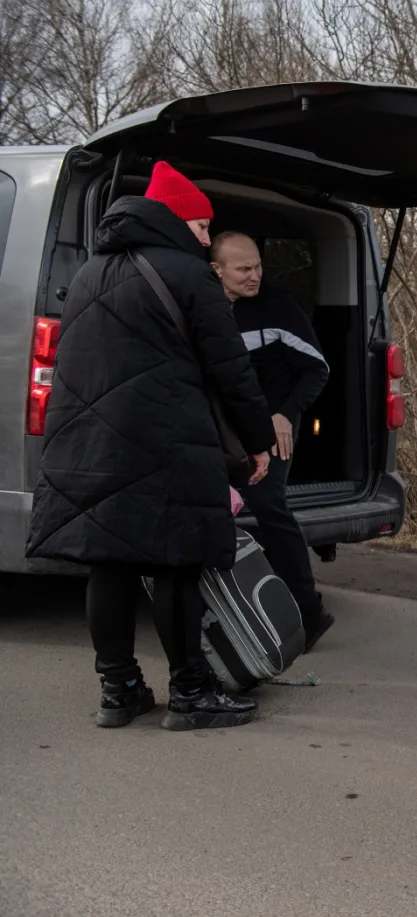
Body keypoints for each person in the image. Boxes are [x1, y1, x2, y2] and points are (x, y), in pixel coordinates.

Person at [27, 161, 276, 731]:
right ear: (174, 221)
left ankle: (119, 692)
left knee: (108, 565)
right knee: (177, 565)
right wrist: (259, 441)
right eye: (201, 226)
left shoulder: (90, 272)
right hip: (167, 442)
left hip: (90, 443)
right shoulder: (192, 277)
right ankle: (190, 691)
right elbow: (231, 370)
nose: (208, 238)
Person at [210, 232, 335, 649]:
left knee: (268, 505)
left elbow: (316, 369)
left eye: (258, 266)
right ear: (217, 270)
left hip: (275, 423)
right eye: (244, 269)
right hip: (222, 427)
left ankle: (309, 611)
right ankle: (224, 610)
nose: (255, 276)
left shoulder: (278, 306)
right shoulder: (204, 307)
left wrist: (286, 412)